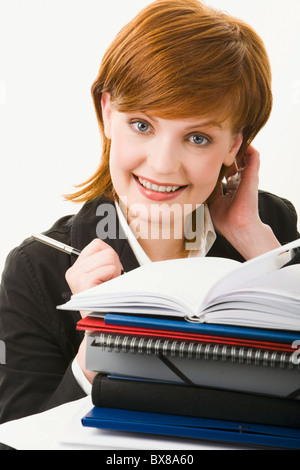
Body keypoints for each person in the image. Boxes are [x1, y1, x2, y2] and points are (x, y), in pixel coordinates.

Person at [0, 0, 299, 425]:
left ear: (234, 144)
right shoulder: (38, 267)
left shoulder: (274, 233)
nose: (161, 165)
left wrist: (264, 255)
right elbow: (13, 435)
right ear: (107, 112)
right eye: (142, 124)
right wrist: (97, 351)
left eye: (197, 137)